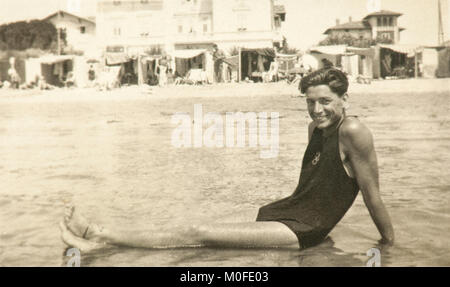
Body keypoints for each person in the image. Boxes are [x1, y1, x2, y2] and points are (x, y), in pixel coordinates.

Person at [60, 68, 394, 252]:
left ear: (344, 99)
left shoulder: (353, 130)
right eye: (310, 102)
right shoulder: (315, 128)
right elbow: (312, 186)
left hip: (305, 230)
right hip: (291, 213)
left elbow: (372, 195)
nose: (316, 109)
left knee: (198, 232)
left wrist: (389, 248)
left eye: (325, 101)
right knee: (207, 237)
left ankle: (97, 235)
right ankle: (110, 245)